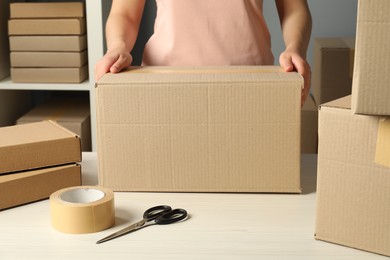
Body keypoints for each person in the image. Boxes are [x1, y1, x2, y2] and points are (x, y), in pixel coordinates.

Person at [95, 0, 312, 106]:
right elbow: (125, 13)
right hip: (162, 85)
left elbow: (294, 8)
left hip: (251, 84)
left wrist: (295, 47)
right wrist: (117, 46)